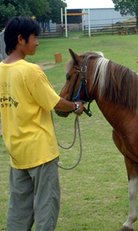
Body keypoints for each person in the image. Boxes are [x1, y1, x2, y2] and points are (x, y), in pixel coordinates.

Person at [0, 16, 85, 231]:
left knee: (19, 211)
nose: (37, 41)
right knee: (46, 207)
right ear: (21, 39)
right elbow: (55, 103)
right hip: (40, 151)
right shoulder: (31, 70)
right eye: (34, 37)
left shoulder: (1, 70)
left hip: (17, 152)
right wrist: (76, 106)